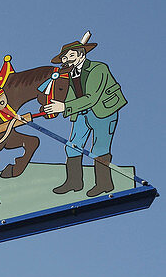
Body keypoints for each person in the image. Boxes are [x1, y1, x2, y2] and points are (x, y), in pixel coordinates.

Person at [43, 39, 127, 197]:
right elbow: (69, 96)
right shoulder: (69, 74)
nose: (67, 60)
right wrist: (56, 108)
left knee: (99, 148)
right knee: (72, 145)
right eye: (64, 58)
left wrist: (64, 107)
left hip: (103, 111)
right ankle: (74, 182)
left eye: (70, 56)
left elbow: (92, 97)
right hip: (82, 111)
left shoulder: (98, 68)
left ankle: (104, 185)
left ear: (81, 55)